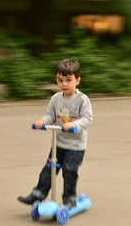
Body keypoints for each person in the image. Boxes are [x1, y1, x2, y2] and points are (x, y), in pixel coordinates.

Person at [17, 58, 93, 210]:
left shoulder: (82, 100)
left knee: (69, 171)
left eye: (68, 80)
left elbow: (88, 118)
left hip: (76, 146)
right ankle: (38, 194)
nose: (64, 84)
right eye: (60, 80)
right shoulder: (56, 99)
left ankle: (69, 198)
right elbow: (50, 115)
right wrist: (42, 121)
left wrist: (74, 124)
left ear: (77, 80)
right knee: (49, 169)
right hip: (58, 143)